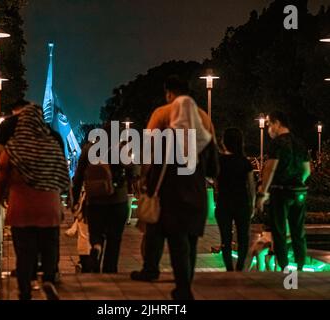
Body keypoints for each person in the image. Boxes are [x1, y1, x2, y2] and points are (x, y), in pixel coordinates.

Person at [132, 75, 215, 300]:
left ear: (169, 93)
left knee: (157, 232)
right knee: (189, 239)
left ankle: (153, 270)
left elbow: (149, 151)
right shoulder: (204, 118)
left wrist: (143, 177)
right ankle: (185, 281)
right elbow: (213, 164)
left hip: (168, 189)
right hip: (196, 189)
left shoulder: (162, 114)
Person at [0, 105, 70, 300]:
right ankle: (49, 280)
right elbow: (63, 176)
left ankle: (25, 289)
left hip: (22, 208)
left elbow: (1, 176)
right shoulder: (52, 145)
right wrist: (64, 196)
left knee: (25, 252)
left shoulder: (14, 147)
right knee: (49, 247)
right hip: (49, 207)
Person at [72, 123, 136, 274]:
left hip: (94, 201)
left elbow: (78, 177)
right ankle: (110, 270)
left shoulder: (88, 149)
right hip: (117, 200)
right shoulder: (121, 150)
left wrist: (75, 200)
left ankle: (96, 248)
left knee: (95, 233)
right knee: (114, 239)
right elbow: (133, 171)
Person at [256, 110, 311, 271]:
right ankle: (301, 265)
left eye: (269, 124)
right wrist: (298, 182)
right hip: (299, 191)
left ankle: (284, 266)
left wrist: (263, 192)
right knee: (298, 230)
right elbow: (307, 170)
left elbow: (270, 168)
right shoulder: (299, 142)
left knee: (279, 230)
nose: (268, 129)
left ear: (277, 123)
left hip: (281, 191)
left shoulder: (277, 143)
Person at [215, 128, 255, 271]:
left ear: (224, 142)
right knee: (243, 238)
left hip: (224, 203)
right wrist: (253, 204)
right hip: (242, 203)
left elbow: (214, 181)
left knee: (225, 239)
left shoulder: (219, 161)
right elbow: (251, 186)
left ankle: (229, 269)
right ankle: (239, 268)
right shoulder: (245, 162)